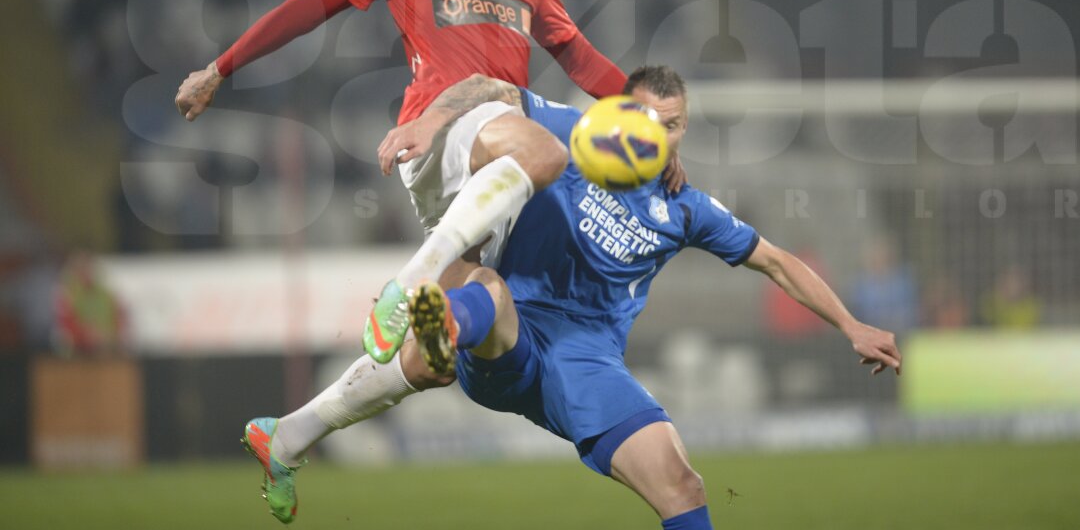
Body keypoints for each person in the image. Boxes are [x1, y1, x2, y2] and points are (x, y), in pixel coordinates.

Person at [242, 67, 901, 527]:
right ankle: (440, 316)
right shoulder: (571, 135)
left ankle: (318, 415)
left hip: (587, 362)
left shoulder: (687, 207)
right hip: (513, 332)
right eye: (645, 119)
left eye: (673, 125)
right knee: (490, 290)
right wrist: (436, 116)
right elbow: (492, 88)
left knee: (683, 485)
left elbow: (776, 260)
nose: (659, 135)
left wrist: (850, 323)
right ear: (618, 113)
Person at [175, 0, 680, 362]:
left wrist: (646, 127)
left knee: (456, 339)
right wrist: (221, 68)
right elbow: (312, 4)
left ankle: (291, 431)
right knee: (548, 149)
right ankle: (412, 279)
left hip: (494, 168)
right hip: (441, 132)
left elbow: (578, 56)